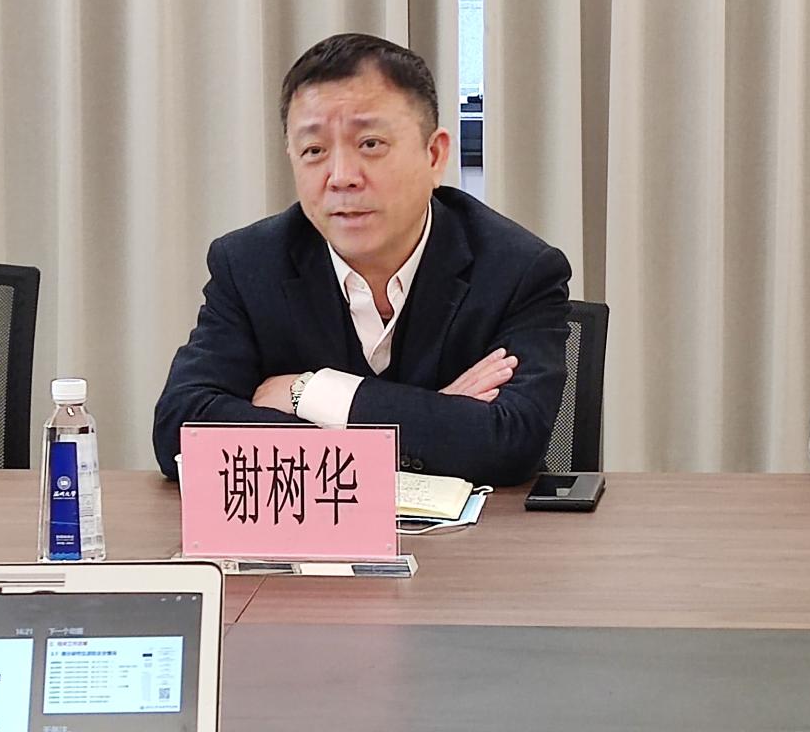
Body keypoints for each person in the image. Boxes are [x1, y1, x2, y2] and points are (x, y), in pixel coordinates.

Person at [153, 33, 572, 487]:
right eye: (314, 151)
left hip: (481, 534)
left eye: (370, 144)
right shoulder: (249, 264)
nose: (341, 177)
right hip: (308, 532)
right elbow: (182, 428)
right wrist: (434, 420)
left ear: (434, 156)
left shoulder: (518, 270)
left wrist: (311, 393)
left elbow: (511, 442)